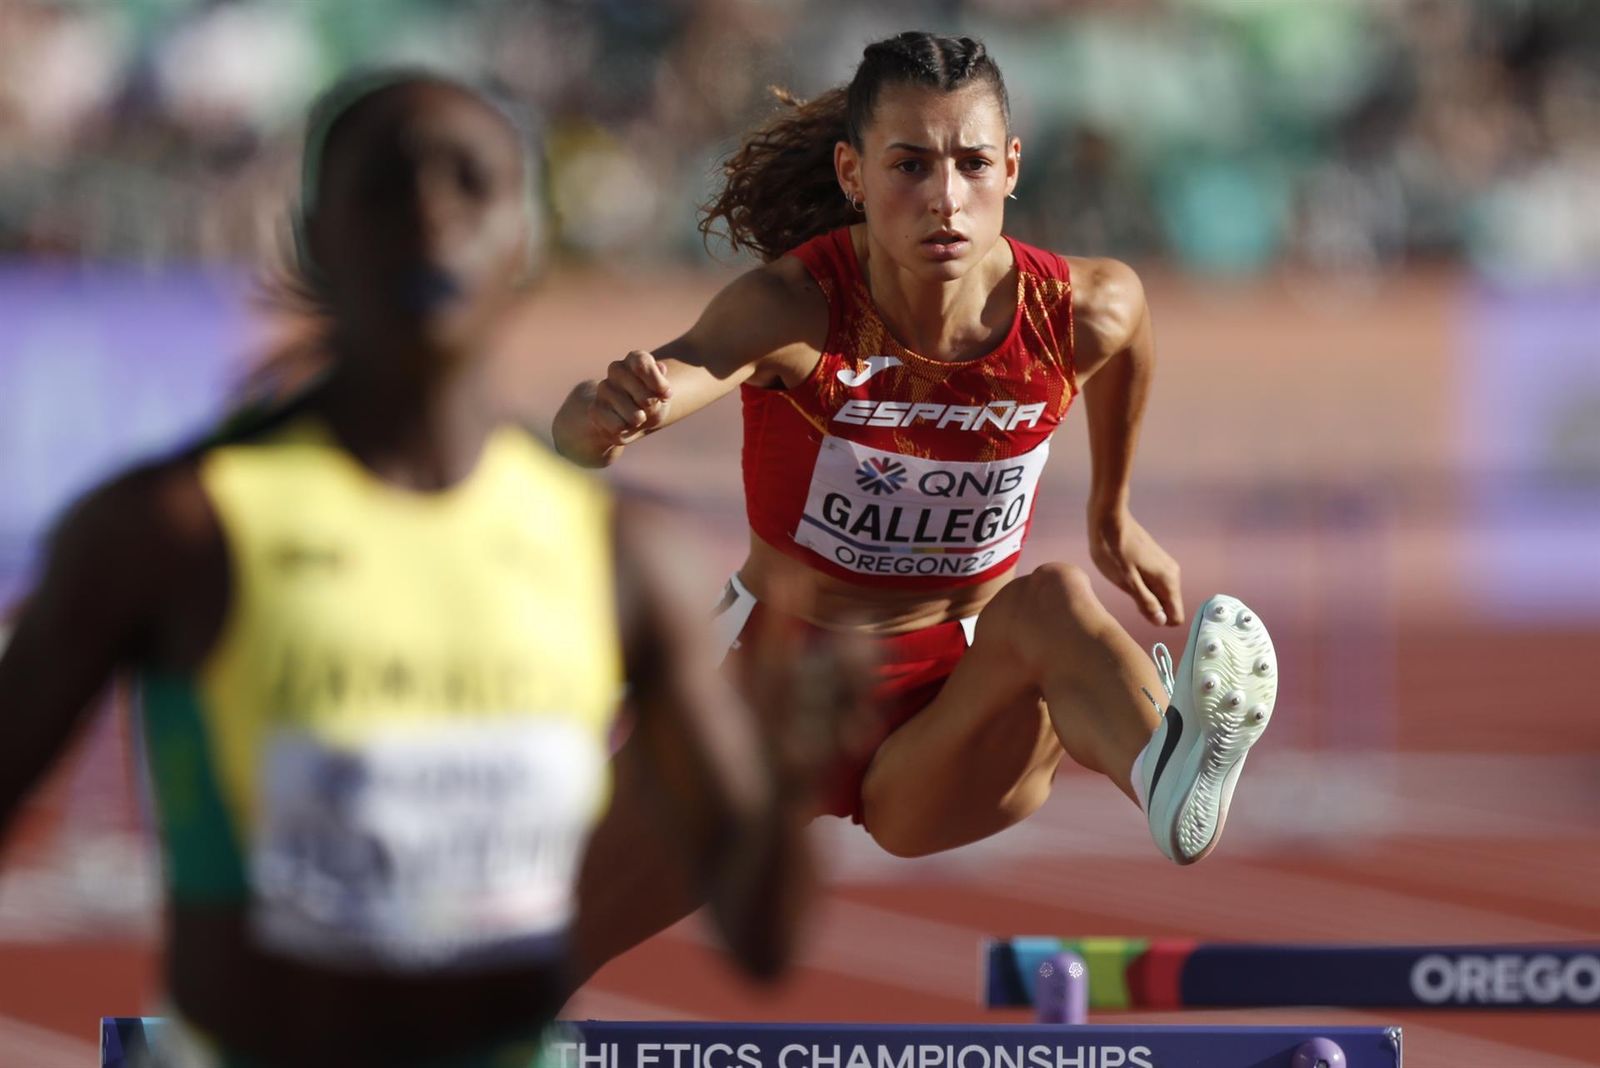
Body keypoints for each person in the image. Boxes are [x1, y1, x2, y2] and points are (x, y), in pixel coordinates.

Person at [0, 69, 860, 1068]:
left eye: (471, 182)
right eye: (387, 183)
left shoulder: (621, 555)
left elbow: (762, 942)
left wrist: (794, 773)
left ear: (526, 244)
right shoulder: (175, 529)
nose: (430, 211)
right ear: (317, 238)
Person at [554, 31, 1280, 981]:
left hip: (952, 712)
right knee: (545, 946)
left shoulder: (1073, 310)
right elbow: (666, 382)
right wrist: (601, 418)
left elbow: (1132, 327)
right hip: (776, 698)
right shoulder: (795, 306)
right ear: (853, 173)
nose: (946, 198)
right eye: (910, 165)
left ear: (1011, 167)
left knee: (1055, 599)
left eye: (973, 164)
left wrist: (1114, 515)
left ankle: (1168, 766)